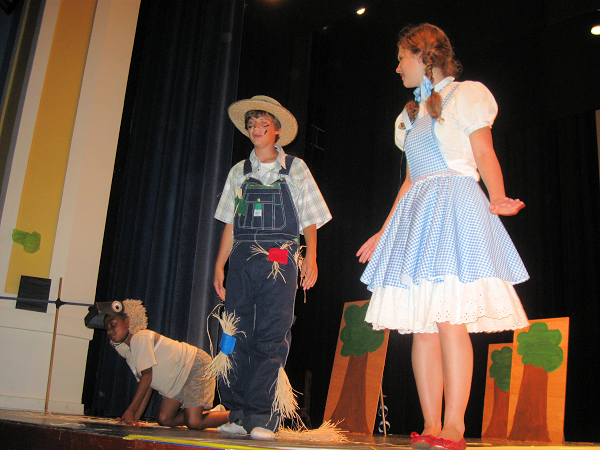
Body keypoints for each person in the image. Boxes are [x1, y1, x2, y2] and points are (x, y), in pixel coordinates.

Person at [357, 24, 529, 450]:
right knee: (424, 325)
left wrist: (498, 196)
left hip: (455, 206)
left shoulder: (465, 96)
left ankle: (455, 426)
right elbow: (410, 180)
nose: (398, 67)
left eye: (403, 57)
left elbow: (484, 151)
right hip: (420, 214)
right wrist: (384, 231)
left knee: (451, 319)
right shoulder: (410, 116)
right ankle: (431, 424)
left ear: (425, 56)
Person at [213, 95, 331, 440]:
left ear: (277, 130)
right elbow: (230, 223)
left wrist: (311, 257)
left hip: (280, 263)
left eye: (263, 123)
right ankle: (237, 412)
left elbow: (310, 218)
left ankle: (262, 416)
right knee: (233, 334)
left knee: (271, 336)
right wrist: (219, 265)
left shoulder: (295, 168)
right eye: (251, 124)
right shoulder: (239, 172)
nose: (256, 129)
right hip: (242, 263)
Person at [84, 299, 229, 430]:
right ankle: (214, 415)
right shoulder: (130, 353)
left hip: (194, 366)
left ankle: (236, 416)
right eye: (107, 328)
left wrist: (131, 410)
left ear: (127, 321)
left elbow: (147, 377)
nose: (110, 331)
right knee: (164, 419)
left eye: (113, 324)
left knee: (194, 422)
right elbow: (147, 385)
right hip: (178, 380)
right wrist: (132, 419)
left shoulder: (140, 337)